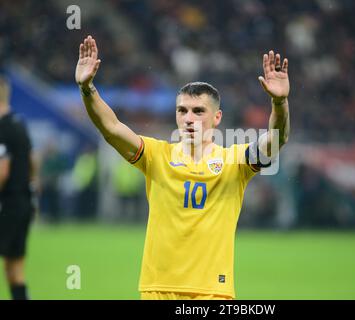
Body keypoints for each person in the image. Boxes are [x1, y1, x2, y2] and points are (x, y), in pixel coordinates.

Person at [75, 35, 290, 300]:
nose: (188, 118)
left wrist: (279, 103)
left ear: (217, 117)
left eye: (198, 111)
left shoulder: (235, 161)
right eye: (182, 110)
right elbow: (111, 128)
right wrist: (88, 89)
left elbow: (277, 138)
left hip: (212, 291)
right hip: (158, 288)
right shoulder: (156, 155)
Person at [0, 76, 37, 300]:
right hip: (23, 204)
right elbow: (32, 162)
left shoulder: (2, 127)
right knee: (15, 269)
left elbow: (2, 171)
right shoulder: (19, 124)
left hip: (6, 206)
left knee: (13, 267)